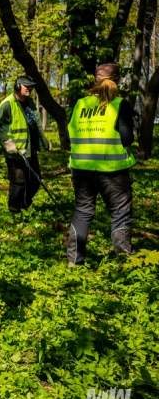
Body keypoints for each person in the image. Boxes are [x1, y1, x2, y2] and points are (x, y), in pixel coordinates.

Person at [66, 64, 136, 267]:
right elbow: (127, 139)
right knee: (120, 212)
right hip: (112, 171)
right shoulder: (119, 104)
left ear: (95, 80)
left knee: (82, 211)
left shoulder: (80, 104)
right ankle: (124, 261)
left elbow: (69, 133)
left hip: (81, 169)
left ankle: (74, 261)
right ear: (118, 80)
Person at [0, 76, 51, 216]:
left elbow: (33, 125)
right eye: (26, 86)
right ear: (17, 87)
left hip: (30, 149)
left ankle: (23, 204)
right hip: (16, 151)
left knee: (35, 181)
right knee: (18, 182)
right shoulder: (8, 104)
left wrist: (43, 141)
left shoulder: (29, 102)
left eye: (31, 86)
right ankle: (15, 211)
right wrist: (7, 142)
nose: (30, 88)